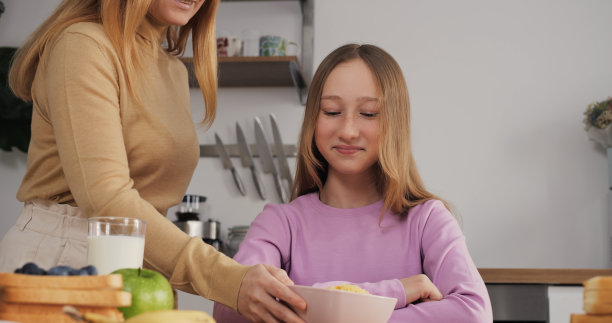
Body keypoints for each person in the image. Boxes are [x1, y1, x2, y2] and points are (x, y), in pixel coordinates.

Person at [0, 0, 306, 322]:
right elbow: (106, 198)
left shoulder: (171, 69)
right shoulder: (83, 44)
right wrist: (229, 278)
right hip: (67, 262)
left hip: (145, 270)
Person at [213, 43, 493, 322]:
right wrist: (395, 292)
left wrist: (330, 310)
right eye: (332, 111)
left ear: (394, 122)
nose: (348, 130)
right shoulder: (280, 224)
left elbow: (473, 313)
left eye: (369, 113)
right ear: (313, 118)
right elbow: (231, 309)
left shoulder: (427, 220)